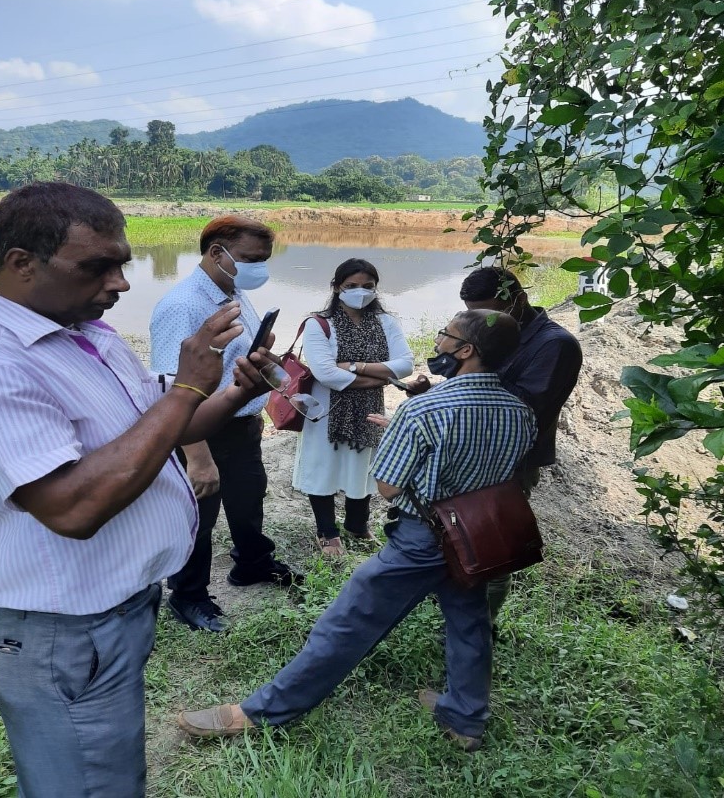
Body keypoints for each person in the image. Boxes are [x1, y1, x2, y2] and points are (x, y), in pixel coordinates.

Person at [0, 182, 274, 798]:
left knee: (108, 772)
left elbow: (163, 428)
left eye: (121, 264)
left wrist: (234, 390)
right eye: (96, 267)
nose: (121, 283)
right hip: (60, 631)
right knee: (87, 785)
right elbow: (73, 506)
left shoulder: (90, 336)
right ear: (21, 264)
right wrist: (187, 387)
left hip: (116, 610)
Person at [177, 309, 536, 751]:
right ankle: (465, 718)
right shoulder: (519, 410)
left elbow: (388, 487)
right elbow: (499, 471)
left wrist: (398, 436)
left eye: (447, 335)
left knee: (348, 621)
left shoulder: (425, 409)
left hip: (422, 539)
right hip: (478, 537)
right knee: (469, 622)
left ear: (466, 351)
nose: (439, 341)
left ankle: (261, 712)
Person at [150, 215, 299, 633]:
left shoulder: (230, 291)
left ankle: (252, 563)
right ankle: (188, 595)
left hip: (241, 427)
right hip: (203, 432)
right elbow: (171, 389)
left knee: (249, 498)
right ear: (217, 253)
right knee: (197, 515)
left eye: (265, 259)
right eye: (252, 259)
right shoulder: (184, 307)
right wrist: (197, 458)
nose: (260, 268)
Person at [459, 266, 582, 621]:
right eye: (472, 314)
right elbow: (445, 364)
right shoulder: (485, 331)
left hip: (511, 462)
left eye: (488, 313)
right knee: (459, 535)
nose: (480, 321)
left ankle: (481, 625)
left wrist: (471, 369)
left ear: (518, 301)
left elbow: (524, 407)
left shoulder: (555, 345)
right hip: (469, 450)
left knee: (490, 550)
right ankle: (458, 611)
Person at [292, 258, 413, 557]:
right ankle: (327, 532)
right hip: (326, 411)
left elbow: (405, 365)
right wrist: (378, 377)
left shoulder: (386, 322)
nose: (360, 292)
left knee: (364, 466)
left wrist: (356, 366)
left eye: (367, 286)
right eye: (351, 286)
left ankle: (357, 525)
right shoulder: (319, 324)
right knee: (324, 467)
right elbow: (326, 374)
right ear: (336, 288)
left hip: (368, 410)